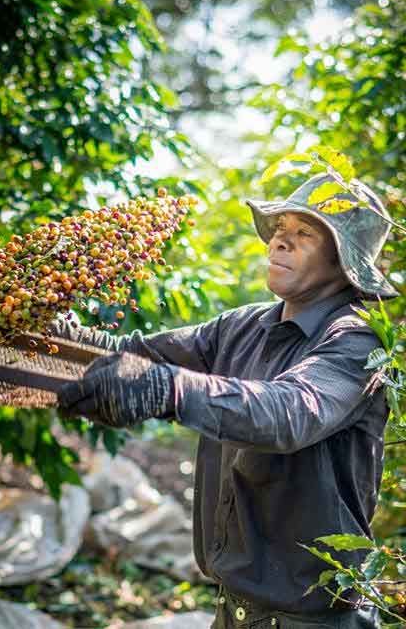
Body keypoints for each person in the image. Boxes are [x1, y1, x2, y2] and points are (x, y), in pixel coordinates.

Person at [53, 172, 399, 629]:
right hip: (235, 612)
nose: (280, 243)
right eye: (280, 230)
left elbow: (287, 412)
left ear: (343, 262)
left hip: (313, 620)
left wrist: (168, 388)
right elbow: (136, 355)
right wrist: (54, 335)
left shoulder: (356, 344)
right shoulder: (242, 327)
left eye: (305, 233)